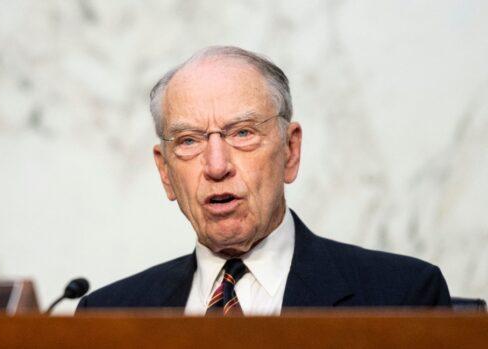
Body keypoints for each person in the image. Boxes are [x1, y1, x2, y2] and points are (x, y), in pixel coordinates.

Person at [77, 46, 451, 315]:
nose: (217, 165)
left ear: (290, 151)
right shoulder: (109, 313)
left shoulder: (402, 295)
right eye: (189, 141)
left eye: (242, 133)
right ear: (165, 172)